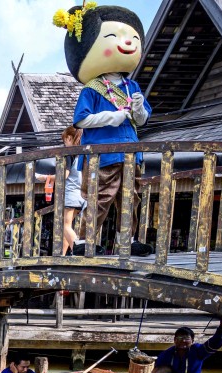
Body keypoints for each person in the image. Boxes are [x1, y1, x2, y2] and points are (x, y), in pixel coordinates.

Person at [55, 4, 151, 252]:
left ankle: (127, 240)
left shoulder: (133, 87)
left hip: (131, 151)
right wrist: (111, 117)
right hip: (104, 154)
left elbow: (142, 120)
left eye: (133, 39)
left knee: (130, 197)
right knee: (100, 197)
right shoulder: (93, 88)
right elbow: (81, 120)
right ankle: (85, 239)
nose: (127, 43)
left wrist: (138, 108)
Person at [37, 126, 86, 255]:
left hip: (71, 194)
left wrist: (46, 177)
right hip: (81, 195)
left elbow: (64, 175)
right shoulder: (81, 154)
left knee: (64, 225)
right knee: (68, 227)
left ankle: (80, 249)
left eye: (64, 140)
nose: (64, 143)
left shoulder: (68, 155)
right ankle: (63, 255)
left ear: (69, 138)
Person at [154, 317, 222, 373]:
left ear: (192, 340)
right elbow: (157, 372)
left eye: (187, 338)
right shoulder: (166, 354)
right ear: (175, 340)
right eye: (180, 338)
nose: (183, 341)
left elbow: (213, 344)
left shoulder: (198, 351)